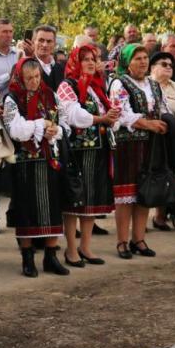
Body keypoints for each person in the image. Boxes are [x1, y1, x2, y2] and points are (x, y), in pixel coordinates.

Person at [3, 58, 69, 277]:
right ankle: (27, 257)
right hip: (24, 163)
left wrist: (55, 131)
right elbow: (16, 131)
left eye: (37, 77)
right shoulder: (12, 99)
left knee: (52, 207)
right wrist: (41, 125)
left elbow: (64, 124)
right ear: (19, 78)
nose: (33, 82)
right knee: (26, 210)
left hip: (49, 159)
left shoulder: (50, 95)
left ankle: (51, 255)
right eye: (28, 78)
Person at [57, 46, 120, 265]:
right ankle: (71, 249)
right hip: (78, 151)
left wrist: (112, 117)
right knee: (75, 199)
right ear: (75, 63)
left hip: (98, 150)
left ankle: (86, 246)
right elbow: (74, 115)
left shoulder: (97, 87)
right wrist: (102, 119)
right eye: (84, 60)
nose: (91, 63)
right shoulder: (68, 85)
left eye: (93, 59)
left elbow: (108, 112)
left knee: (91, 199)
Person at [109, 44, 169, 258]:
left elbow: (162, 109)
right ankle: (122, 241)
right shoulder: (119, 83)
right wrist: (148, 124)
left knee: (145, 191)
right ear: (127, 62)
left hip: (150, 145)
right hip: (128, 145)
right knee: (126, 195)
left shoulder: (153, 84)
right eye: (137, 59)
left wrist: (163, 123)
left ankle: (139, 239)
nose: (143, 62)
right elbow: (121, 114)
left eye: (145, 58)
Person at [148, 51, 175, 231]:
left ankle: (161, 216)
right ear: (153, 67)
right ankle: (139, 219)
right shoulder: (147, 86)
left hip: (173, 139)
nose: (169, 68)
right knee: (147, 177)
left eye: (171, 65)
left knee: (167, 175)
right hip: (150, 137)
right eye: (164, 64)